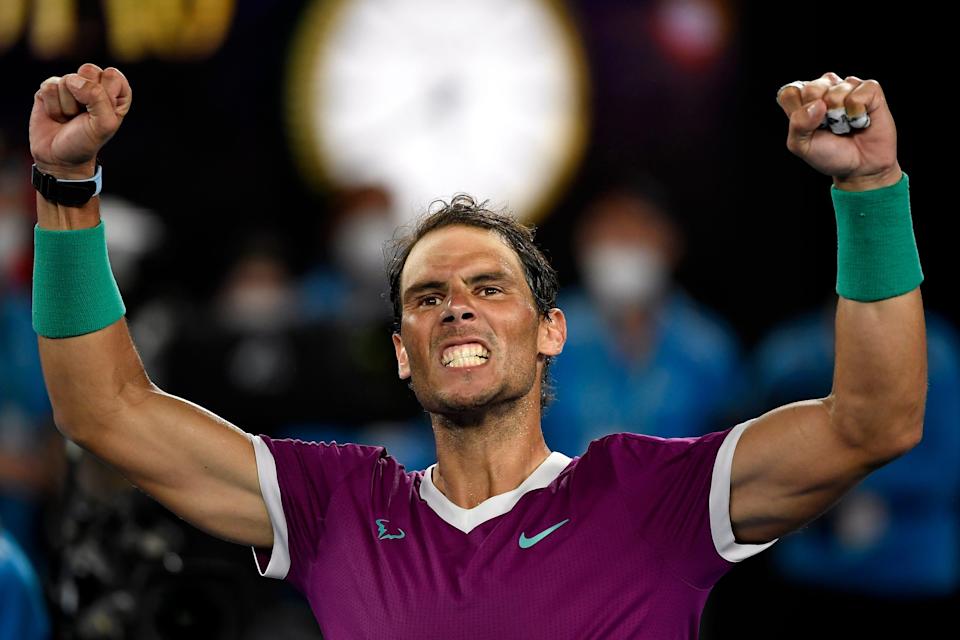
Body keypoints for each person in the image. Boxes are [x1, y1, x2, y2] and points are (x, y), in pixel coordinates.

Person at [29, 64, 926, 638]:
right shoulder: (337, 507)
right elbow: (103, 410)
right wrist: (66, 190)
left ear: (550, 331)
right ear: (401, 355)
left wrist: (873, 190)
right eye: (428, 297)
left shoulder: (653, 499)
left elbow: (874, 421)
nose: (456, 307)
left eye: (489, 287)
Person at [543, 179, 747, 455]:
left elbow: (733, 451)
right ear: (582, 241)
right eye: (610, 232)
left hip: (682, 497)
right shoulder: (545, 335)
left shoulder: (708, 348)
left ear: (671, 243)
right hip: (562, 495)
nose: (623, 245)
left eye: (636, 232)